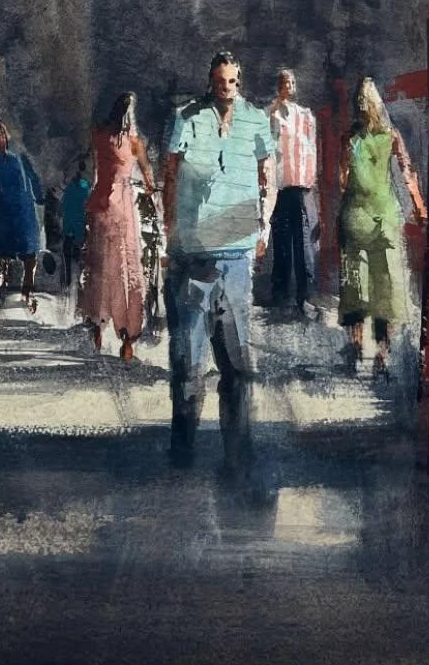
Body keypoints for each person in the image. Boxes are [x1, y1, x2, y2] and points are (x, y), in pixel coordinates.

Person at [162, 50, 274, 472]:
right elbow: (170, 175)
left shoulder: (256, 120)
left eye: (232, 82)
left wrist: (264, 227)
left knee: (236, 364)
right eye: (219, 81)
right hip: (193, 255)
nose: (225, 88)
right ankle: (182, 452)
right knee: (188, 363)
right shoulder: (187, 117)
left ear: (239, 82)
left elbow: (268, 175)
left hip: (236, 256)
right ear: (210, 81)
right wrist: (171, 232)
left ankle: (237, 454)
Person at [337, 78, 426, 375]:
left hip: (355, 216)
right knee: (385, 285)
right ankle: (382, 353)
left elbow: (342, 180)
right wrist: (419, 206)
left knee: (356, 283)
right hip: (385, 216)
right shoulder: (391, 136)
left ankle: (356, 346)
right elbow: (407, 172)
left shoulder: (350, 139)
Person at [79, 93, 154, 362]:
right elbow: (148, 178)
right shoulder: (133, 142)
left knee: (101, 267)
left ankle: (98, 326)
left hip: (102, 204)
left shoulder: (99, 135)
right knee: (125, 268)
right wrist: (149, 188)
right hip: (121, 206)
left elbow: (95, 170)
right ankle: (126, 335)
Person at [0, 120, 44, 309]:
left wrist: (38, 197)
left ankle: (27, 290)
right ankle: (1, 289)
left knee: (29, 251)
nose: (0, 138)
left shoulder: (17, 157)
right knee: (2, 253)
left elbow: (30, 178)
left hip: (22, 210)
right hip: (0, 212)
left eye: (1, 134)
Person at [268, 68, 317, 314]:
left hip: (300, 188)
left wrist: (309, 182)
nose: (289, 86)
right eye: (285, 83)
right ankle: (281, 296)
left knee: (303, 244)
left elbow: (311, 150)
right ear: (279, 86)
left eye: (292, 82)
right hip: (279, 188)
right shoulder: (271, 115)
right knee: (281, 243)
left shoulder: (306, 116)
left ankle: (303, 296)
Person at [59, 154, 90, 290]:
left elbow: (64, 205)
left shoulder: (73, 186)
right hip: (77, 224)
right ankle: (73, 281)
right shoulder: (84, 185)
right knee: (75, 253)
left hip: (72, 224)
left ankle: (69, 281)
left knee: (70, 252)